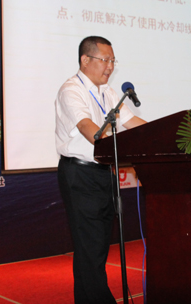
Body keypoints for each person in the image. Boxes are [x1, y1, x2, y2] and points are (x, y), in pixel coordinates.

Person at [55, 36, 146, 304]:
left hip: (104, 174)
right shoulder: (71, 90)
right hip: (80, 175)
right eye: (105, 60)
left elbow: (132, 122)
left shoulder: (109, 92)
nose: (110, 67)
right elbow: (87, 126)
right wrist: (109, 144)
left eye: (113, 61)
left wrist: (166, 135)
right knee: (90, 247)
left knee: (96, 248)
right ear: (85, 60)